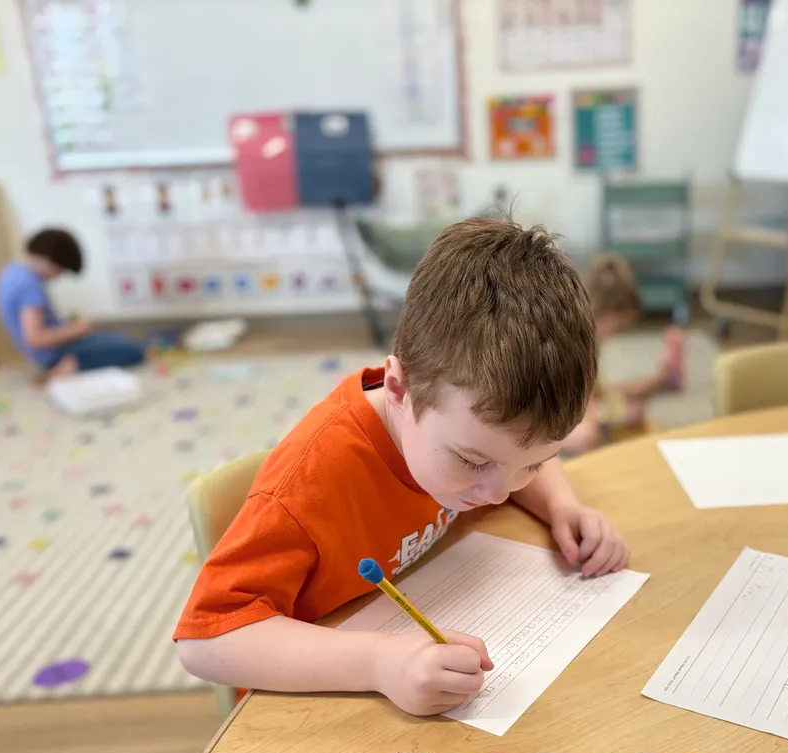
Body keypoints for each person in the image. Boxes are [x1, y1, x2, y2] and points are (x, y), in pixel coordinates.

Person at [174, 217, 630, 717]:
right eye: (472, 461)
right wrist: (378, 663)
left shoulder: (463, 432)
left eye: (534, 464)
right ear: (398, 388)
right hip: (308, 710)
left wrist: (561, 504)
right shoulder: (309, 483)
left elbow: (511, 456)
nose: (501, 493)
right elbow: (203, 642)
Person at [562, 253, 685, 455]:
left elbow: (596, 391)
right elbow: (570, 410)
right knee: (587, 436)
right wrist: (617, 414)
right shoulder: (570, 346)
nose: (615, 335)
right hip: (543, 417)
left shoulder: (591, 340)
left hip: (578, 400)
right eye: (617, 326)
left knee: (615, 397)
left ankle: (662, 378)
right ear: (602, 311)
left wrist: (644, 387)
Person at [0, 228, 147, 380]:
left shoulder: (12, 272)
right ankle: (70, 366)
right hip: (54, 353)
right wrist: (76, 329)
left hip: (47, 351)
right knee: (133, 352)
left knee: (114, 340)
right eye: (60, 270)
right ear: (48, 260)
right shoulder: (29, 286)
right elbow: (35, 338)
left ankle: (71, 363)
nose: (58, 276)